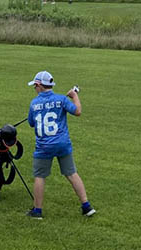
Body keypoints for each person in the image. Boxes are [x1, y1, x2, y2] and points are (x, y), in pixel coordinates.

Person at [25, 71, 94, 219]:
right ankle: (86, 206)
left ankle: (37, 211)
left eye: (34, 86)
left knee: (39, 176)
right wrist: (74, 96)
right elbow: (77, 111)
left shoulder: (34, 103)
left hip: (43, 147)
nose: (34, 89)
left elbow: (31, 123)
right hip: (62, 144)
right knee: (71, 173)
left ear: (38, 86)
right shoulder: (61, 100)